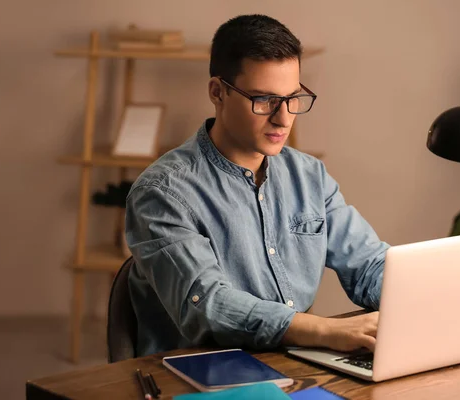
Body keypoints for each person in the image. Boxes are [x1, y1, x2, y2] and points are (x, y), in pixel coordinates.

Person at [125, 14, 389, 357]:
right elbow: (209, 305)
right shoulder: (162, 192)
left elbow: (369, 263)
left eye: (293, 98)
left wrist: (422, 298)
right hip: (200, 374)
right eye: (264, 100)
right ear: (217, 92)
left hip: (294, 363)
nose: (284, 118)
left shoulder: (309, 176)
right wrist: (328, 330)